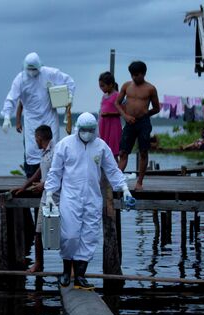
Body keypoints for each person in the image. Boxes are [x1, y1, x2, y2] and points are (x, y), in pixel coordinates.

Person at [44, 112, 133, 290]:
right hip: (70, 197)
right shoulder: (65, 145)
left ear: (95, 129)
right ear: (77, 128)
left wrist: (125, 189)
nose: (87, 133)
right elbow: (55, 172)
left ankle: (80, 277)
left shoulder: (101, 146)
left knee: (89, 237)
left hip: (93, 198)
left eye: (90, 130)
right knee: (69, 235)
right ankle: (65, 271)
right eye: (84, 130)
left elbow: (113, 170)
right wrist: (49, 195)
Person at [1, 52, 76, 179]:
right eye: (29, 69)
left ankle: (55, 177)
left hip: (49, 117)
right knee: (32, 151)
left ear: (40, 67)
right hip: (31, 121)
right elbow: (11, 98)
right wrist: (7, 116)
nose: (32, 72)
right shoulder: (20, 79)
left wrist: (69, 98)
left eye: (34, 69)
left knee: (53, 149)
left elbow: (69, 81)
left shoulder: (49, 73)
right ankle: (32, 177)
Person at [11, 125, 54, 272]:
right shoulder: (44, 153)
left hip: (59, 197)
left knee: (64, 233)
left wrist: (44, 184)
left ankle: (71, 267)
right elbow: (38, 171)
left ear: (39, 138)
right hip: (45, 197)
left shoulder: (57, 151)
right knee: (39, 232)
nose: (35, 140)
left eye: (35, 138)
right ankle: (38, 263)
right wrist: (24, 186)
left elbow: (62, 173)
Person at [115, 60, 160, 191]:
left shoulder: (150, 88)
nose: (134, 77)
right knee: (123, 152)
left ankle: (139, 183)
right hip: (129, 122)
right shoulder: (126, 86)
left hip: (143, 123)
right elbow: (117, 103)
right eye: (132, 75)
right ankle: (117, 181)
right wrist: (125, 116)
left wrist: (145, 115)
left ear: (143, 73)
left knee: (143, 152)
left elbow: (157, 108)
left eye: (137, 75)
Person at [97, 71, 121, 160]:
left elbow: (122, 112)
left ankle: (115, 171)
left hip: (113, 125)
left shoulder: (117, 95)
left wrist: (109, 114)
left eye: (103, 86)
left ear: (111, 84)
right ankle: (104, 172)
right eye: (100, 86)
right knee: (103, 149)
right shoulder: (104, 96)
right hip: (104, 125)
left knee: (113, 150)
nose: (101, 88)